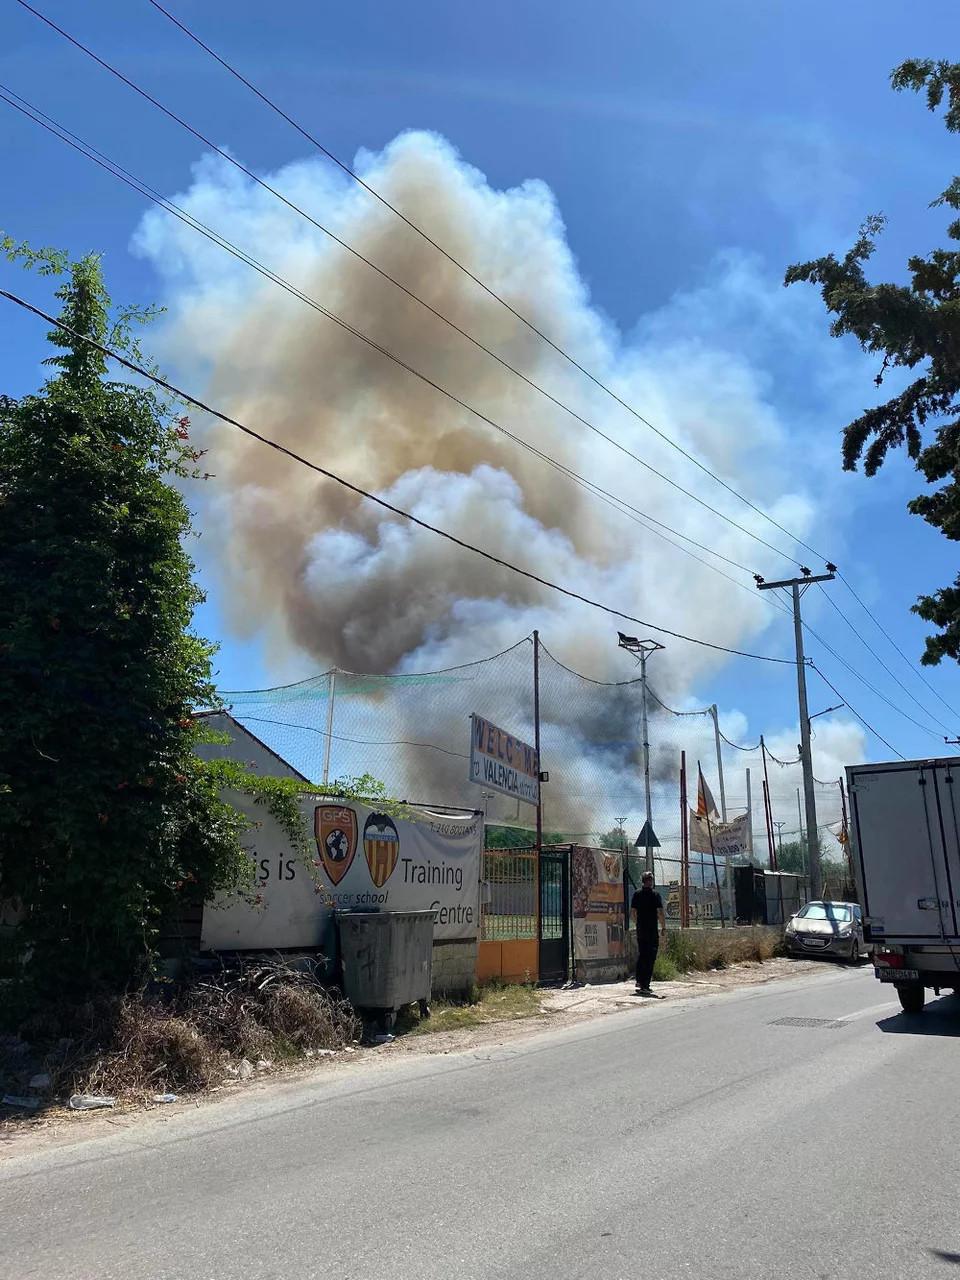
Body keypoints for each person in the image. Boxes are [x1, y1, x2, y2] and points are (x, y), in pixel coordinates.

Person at [631, 871, 667, 996]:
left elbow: (633, 913)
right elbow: (660, 912)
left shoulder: (637, 894)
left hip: (641, 930)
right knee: (650, 958)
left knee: (642, 956)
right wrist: (663, 927)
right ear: (649, 881)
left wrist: (637, 924)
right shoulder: (655, 895)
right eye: (650, 880)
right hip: (651, 931)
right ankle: (645, 985)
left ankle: (639, 981)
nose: (650, 882)